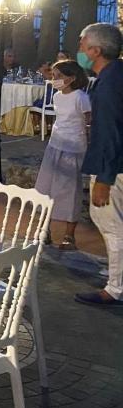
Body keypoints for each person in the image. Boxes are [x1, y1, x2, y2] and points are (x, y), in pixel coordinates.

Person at [75, 23, 123, 307]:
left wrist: (104, 177)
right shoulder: (115, 76)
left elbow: (109, 132)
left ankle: (116, 288)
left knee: (112, 225)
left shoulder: (109, 84)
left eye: (82, 43)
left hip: (114, 169)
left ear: (95, 50)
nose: (79, 49)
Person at [34, 60, 91, 251]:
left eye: (59, 76)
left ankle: (69, 235)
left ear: (72, 78)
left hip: (73, 147)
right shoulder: (57, 96)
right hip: (55, 144)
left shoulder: (80, 97)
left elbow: (89, 121)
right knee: (46, 187)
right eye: (53, 75)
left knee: (70, 190)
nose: (54, 79)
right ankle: (45, 230)